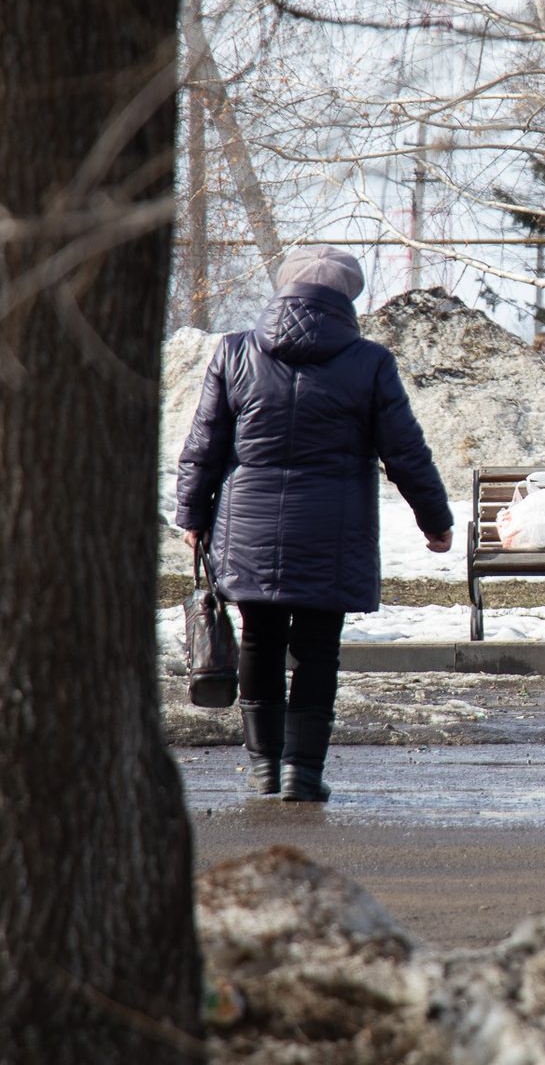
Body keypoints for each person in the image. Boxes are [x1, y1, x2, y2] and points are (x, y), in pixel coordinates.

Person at [176, 246, 454, 802]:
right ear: (348, 297)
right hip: (334, 528)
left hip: (249, 524)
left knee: (258, 640)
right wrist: (435, 520)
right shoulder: (369, 362)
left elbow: (204, 443)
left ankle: (262, 769)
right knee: (318, 647)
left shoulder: (234, 352)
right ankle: (303, 773)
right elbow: (406, 452)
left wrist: (192, 513)